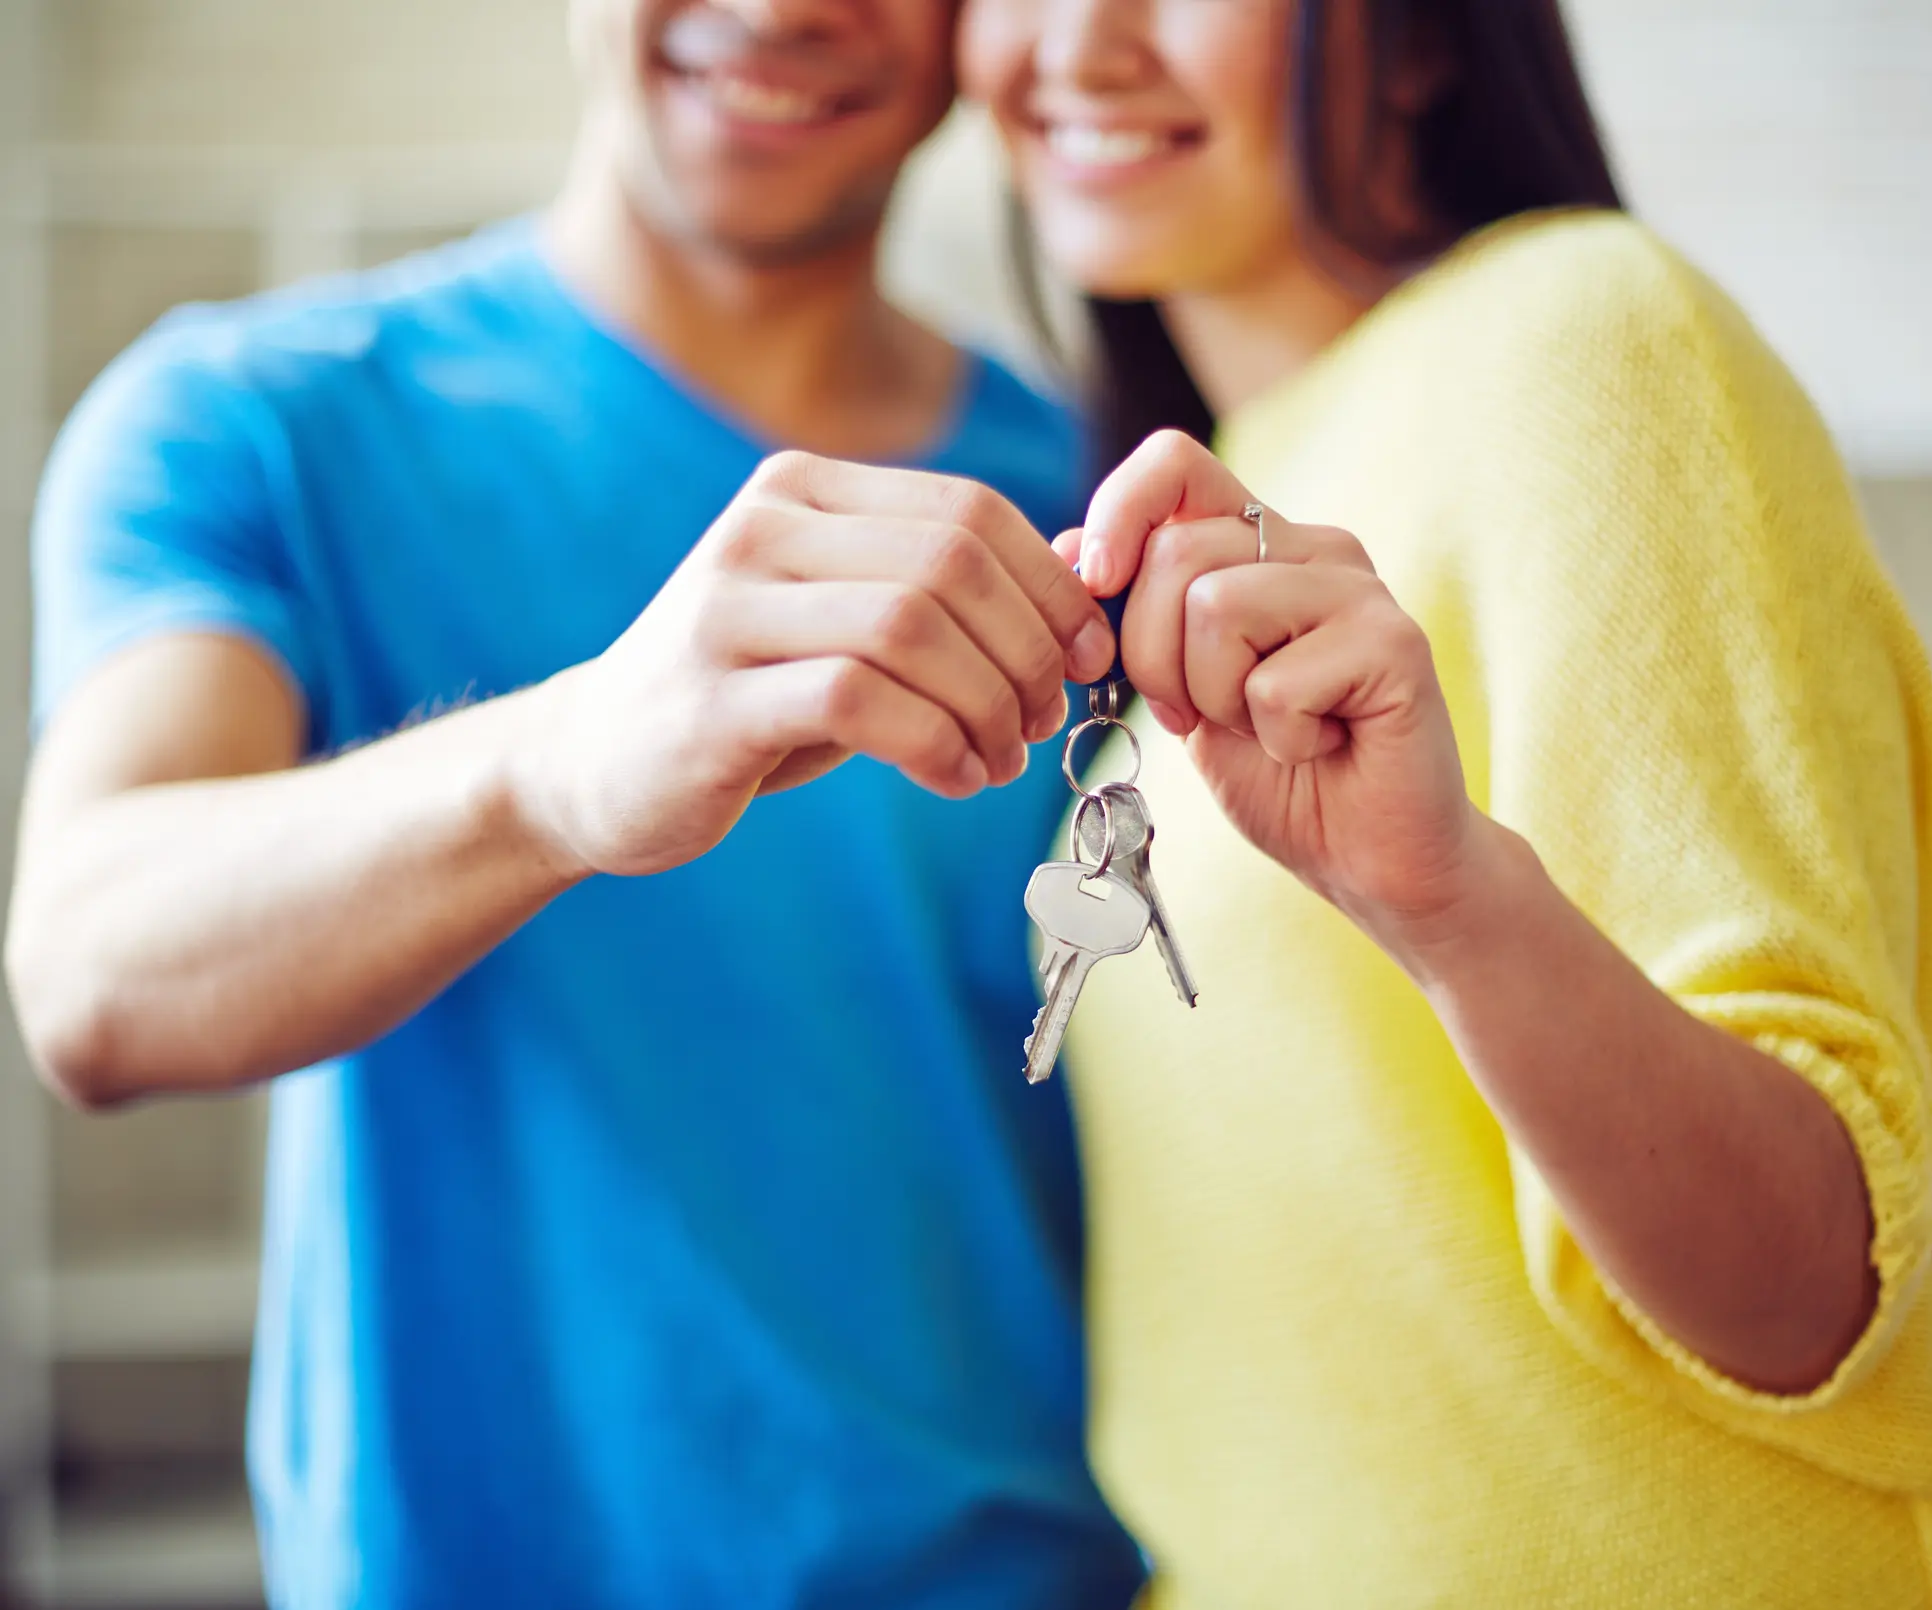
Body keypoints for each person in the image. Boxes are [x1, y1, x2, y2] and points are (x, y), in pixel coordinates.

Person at [3, 0, 1148, 1604]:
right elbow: (89, 972)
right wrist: (562, 767)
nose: (790, 6)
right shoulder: (253, 427)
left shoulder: (1095, 513)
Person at [952, 0, 1932, 1601]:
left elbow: (1811, 1288)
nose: (1078, 38)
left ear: (1427, 41)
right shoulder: (1200, 510)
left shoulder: (1585, 336)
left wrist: (1451, 909)